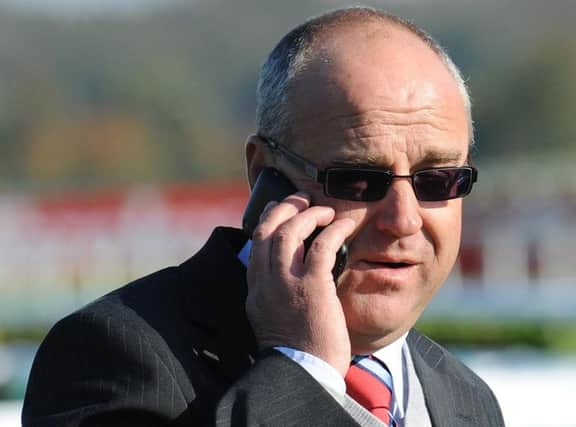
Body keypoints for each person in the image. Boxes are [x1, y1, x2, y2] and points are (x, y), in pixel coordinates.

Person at [23, 7, 504, 427]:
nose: (403, 220)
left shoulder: (468, 399)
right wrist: (302, 373)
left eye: (438, 180)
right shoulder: (110, 355)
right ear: (265, 174)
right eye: (358, 179)